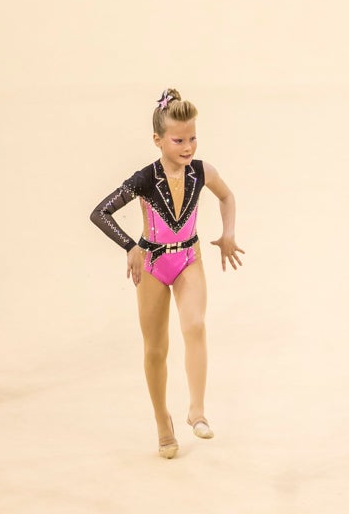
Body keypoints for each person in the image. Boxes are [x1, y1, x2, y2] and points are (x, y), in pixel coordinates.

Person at [91, 89, 244, 459]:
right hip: (154, 265)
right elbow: (100, 213)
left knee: (195, 326)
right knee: (156, 348)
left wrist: (227, 234)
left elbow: (227, 196)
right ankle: (163, 421)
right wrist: (131, 246)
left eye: (192, 138)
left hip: (189, 258)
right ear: (158, 140)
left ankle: (197, 409)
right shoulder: (145, 178)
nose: (188, 146)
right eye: (178, 140)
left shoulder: (202, 172)